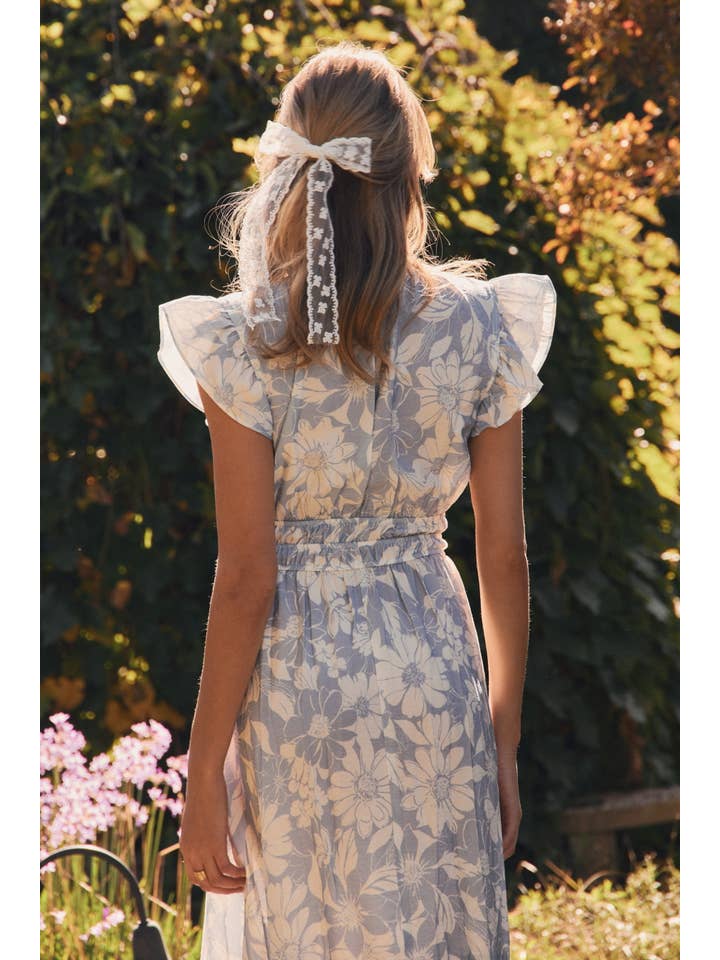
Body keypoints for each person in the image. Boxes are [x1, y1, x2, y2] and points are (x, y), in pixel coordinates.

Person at [157, 40, 555, 960]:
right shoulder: (482, 326)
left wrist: (203, 770)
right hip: (433, 679)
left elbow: (246, 576)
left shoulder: (245, 338)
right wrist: (502, 736)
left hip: (297, 693)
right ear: (411, 173)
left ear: (287, 172)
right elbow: (503, 554)